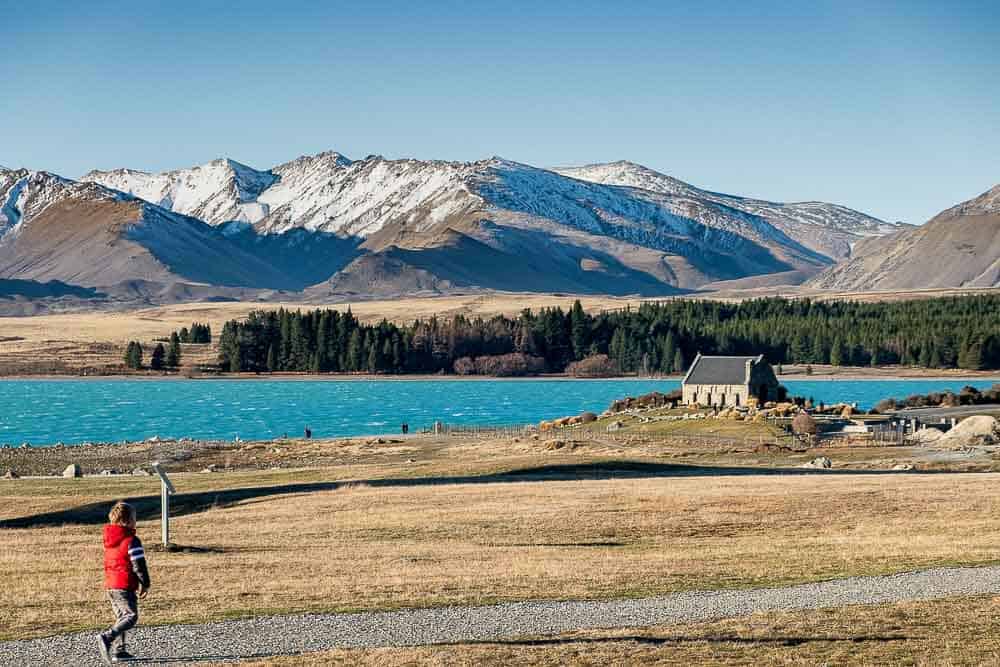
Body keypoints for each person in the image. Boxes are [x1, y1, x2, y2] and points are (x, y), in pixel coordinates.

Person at [97, 501, 150, 665]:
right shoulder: (131, 541)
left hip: (111, 585)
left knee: (121, 617)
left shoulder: (109, 541)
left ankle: (120, 651)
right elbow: (138, 565)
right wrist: (145, 583)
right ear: (127, 521)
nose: (136, 521)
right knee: (131, 616)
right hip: (125, 584)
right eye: (134, 518)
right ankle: (107, 637)